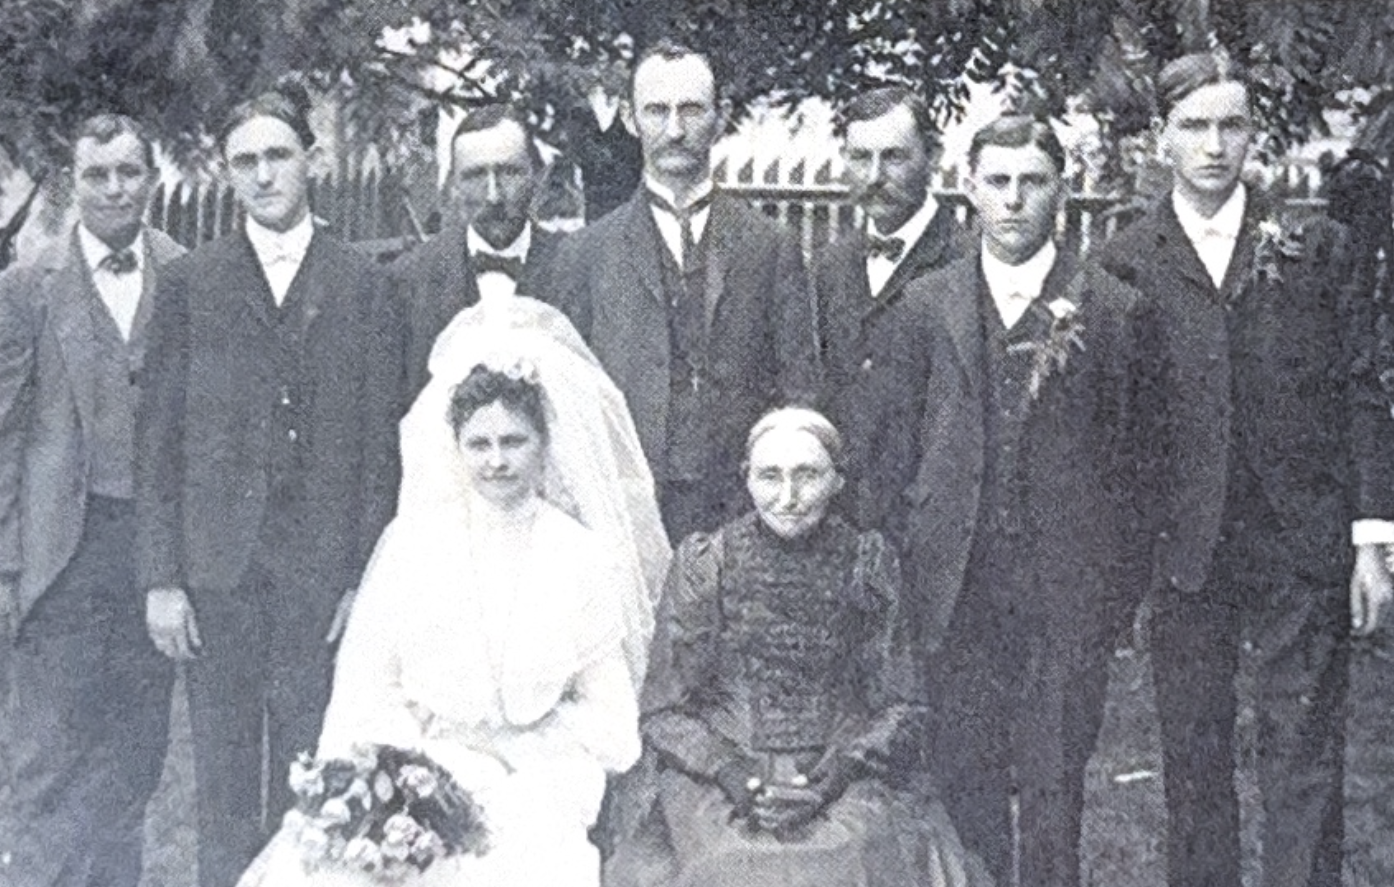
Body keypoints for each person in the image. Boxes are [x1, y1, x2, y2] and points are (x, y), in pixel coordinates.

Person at [35, 297, 672, 887]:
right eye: (479, 443)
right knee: (362, 882)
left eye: (513, 443)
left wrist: (527, 755)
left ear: (544, 446)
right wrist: (396, 776)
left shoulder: (583, 560)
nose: (495, 462)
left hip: (536, 777)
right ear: (455, 448)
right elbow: (367, 694)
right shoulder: (414, 547)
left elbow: (611, 720)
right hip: (423, 764)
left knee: (517, 879)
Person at [599, 408, 1083, 887]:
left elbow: (901, 702)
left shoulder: (868, 561)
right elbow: (664, 708)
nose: (788, 495)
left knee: (848, 860)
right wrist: (733, 772)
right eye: (770, 476)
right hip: (724, 766)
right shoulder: (707, 564)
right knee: (736, 866)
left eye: (807, 475)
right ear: (745, 481)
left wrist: (838, 772)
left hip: (844, 758)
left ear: (838, 480)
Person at [1095, 52, 1394, 887]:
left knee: (1299, 764)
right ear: (1161, 140)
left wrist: (1369, 537)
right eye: (1193, 126)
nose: (1213, 145)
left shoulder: (1309, 247)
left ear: (1252, 139)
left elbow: (1358, 385)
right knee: (1191, 761)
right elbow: (1116, 419)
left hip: (1294, 542)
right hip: (1181, 550)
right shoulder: (1127, 257)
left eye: (1230, 126)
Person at [890, 115, 1160, 887]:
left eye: (1033, 180)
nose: (1013, 200)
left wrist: (1109, 600)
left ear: (1062, 187)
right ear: (969, 187)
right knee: (965, 790)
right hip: (958, 592)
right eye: (997, 180)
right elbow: (901, 451)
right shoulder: (928, 305)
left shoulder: (1112, 308)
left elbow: (1135, 467)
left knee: (1051, 795)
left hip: (1062, 598)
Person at [136, 82, 408, 887]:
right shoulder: (191, 284)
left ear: (311, 160)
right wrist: (163, 578)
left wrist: (366, 577)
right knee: (220, 776)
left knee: (313, 770)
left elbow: (381, 447)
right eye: (245, 162)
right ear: (227, 173)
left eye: (278, 156)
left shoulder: (365, 283)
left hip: (319, 583)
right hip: (218, 575)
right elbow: (157, 440)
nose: (262, 176)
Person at [0, 113, 183, 887]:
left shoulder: (185, 272)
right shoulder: (28, 287)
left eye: (131, 172)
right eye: (99, 176)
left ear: (153, 177)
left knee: (133, 759)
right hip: (60, 559)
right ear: (72, 184)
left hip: (155, 558)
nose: (116, 190)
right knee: (52, 760)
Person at [558, 38, 820, 543]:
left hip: (743, 515)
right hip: (625, 518)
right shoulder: (587, 255)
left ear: (720, 117)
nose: (674, 130)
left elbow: (798, 392)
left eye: (691, 110)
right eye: (657, 111)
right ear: (631, 120)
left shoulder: (769, 246)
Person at [810, 86, 971, 539]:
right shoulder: (830, 264)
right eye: (860, 158)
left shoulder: (969, 263)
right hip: (839, 523)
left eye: (894, 157)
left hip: (932, 523)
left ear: (933, 155)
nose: (875, 176)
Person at [392, 105, 573, 396]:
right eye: (475, 176)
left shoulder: (577, 269)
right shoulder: (408, 280)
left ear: (537, 176)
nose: (493, 196)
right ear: (452, 184)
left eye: (509, 172)